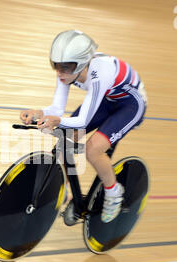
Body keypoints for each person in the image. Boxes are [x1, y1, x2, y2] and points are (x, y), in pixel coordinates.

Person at [20, 30, 147, 223]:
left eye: (66, 67)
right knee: (66, 141)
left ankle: (114, 193)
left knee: (92, 150)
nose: (60, 72)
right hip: (107, 99)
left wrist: (57, 120)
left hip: (130, 105)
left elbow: (82, 122)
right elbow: (56, 108)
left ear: (81, 64)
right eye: (55, 65)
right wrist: (38, 112)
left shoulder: (99, 73)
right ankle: (63, 190)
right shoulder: (67, 72)